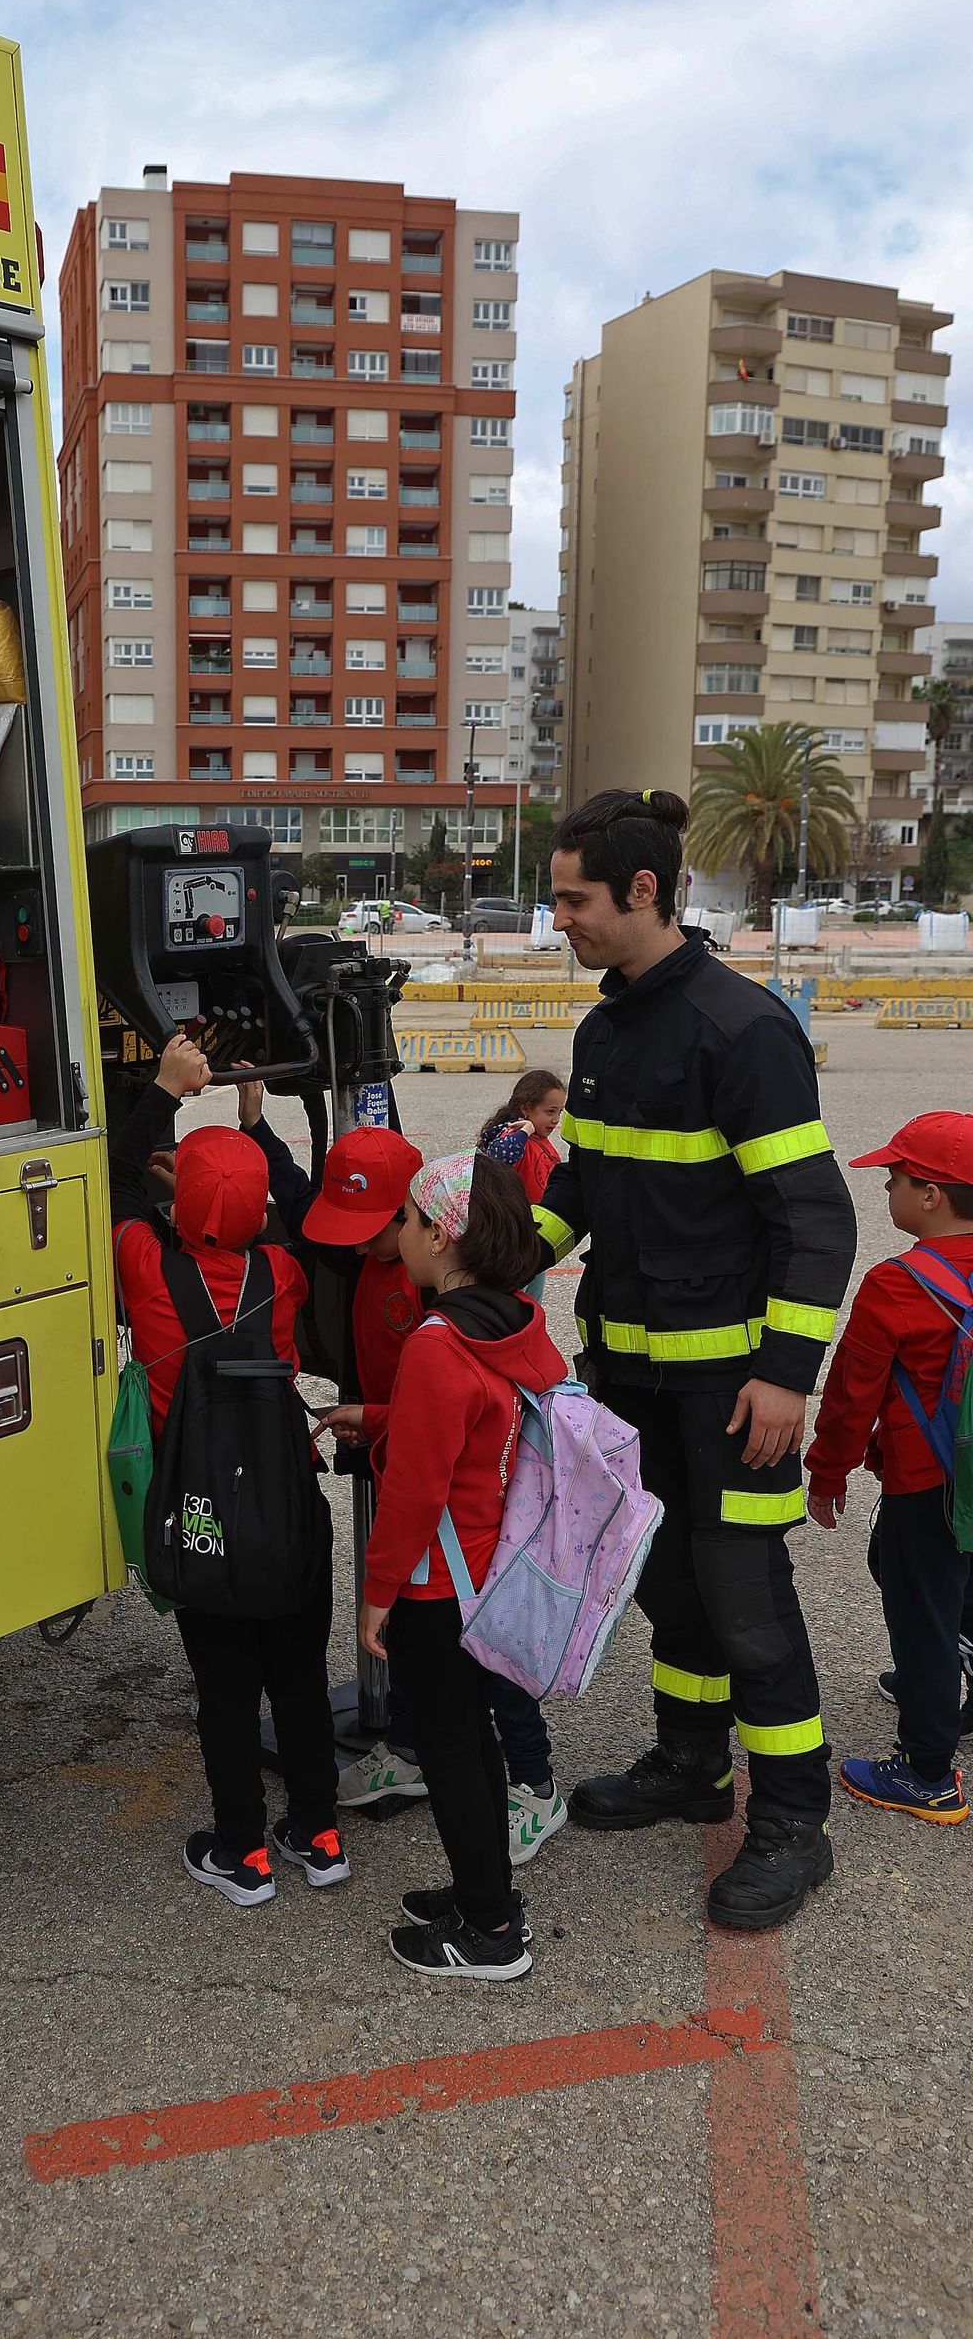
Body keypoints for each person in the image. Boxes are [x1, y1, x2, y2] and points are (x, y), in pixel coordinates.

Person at [534, 787, 857, 1930]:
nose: (557, 919)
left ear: (642, 891)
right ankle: (690, 1763)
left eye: (573, 900)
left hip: (731, 1391)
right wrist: (498, 1260)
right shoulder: (604, 1031)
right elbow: (580, 1185)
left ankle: (793, 1823)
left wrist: (784, 1375)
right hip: (632, 1381)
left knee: (744, 1604)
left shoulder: (741, 1030)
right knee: (669, 1586)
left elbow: (813, 1217)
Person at [239, 1086, 567, 1860]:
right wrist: (256, 1126)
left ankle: (535, 1783)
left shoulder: (443, 1310)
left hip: (457, 1514)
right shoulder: (389, 1258)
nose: (354, 1249)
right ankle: (413, 1750)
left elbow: (446, 1437)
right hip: (416, 1458)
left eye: (381, 1231)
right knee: (427, 1654)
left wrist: (377, 1590)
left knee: (485, 1654)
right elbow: (300, 1199)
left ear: (428, 1231)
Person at [110, 1032, 345, 1908]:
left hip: (203, 1515)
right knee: (300, 1681)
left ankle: (243, 1852)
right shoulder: (280, 1272)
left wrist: (165, 1095)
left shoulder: (146, 1268)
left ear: (178, 1208)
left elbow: (117, 1180)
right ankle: (318, 1835)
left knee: (225, 1694)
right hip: (289, 1509)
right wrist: (253, 1130)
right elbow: (289, 1210)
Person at [357, 1151, 566, 1980]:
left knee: (449, 1753)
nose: (403, 1234)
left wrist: (377, 1595)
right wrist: (383, 1414)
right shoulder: (513, 1321)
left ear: (442, 1238)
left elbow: (414, 1493)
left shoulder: (436, 1345)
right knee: (475, 1740)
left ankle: (489, 1932)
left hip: (436, 1585)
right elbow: (479, 1423)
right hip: (491, 1572)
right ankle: (487, 1890)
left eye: (410, 1220)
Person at [806, 1113, 973, 1824]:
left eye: (896, 1178)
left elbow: (852, 1395)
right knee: (953, 1589)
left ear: (931, 1195)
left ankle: (928, 1773)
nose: (887, 1189)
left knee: (922, 1616)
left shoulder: (896, 1285)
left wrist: (829, 1472)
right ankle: (955, 1679)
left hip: (928, 1480)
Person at [478, 1069, 567, 1208]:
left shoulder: (539, 1136)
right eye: (550, 1112)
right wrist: (525, 1131)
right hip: (523, 1216)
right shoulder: (515, 1134)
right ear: (526, 1109)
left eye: (559, 1112)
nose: (556, 1119)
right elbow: (497, 1159)